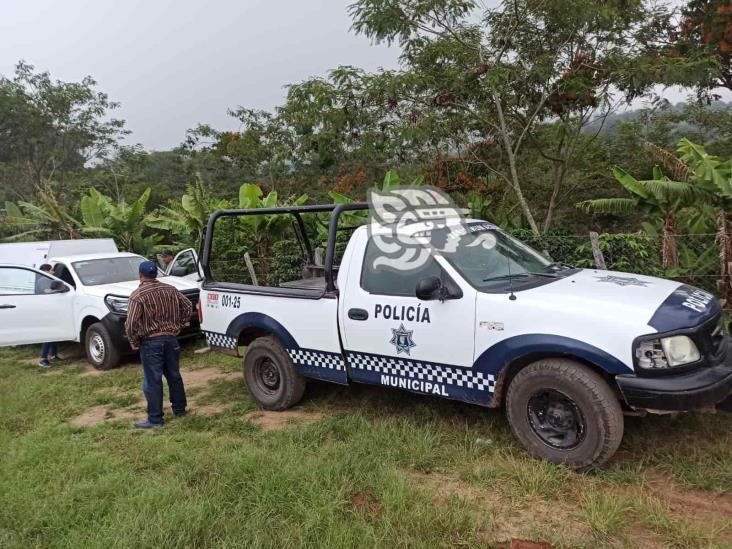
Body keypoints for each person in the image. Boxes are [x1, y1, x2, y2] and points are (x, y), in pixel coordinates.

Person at [125, 260, 193, 428]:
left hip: (150, 342)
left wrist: (134, 341)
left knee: (153, 380)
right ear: (156, 274)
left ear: (140, 276)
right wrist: (180, 325)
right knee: (174, 376)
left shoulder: (137, 295)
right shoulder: (170, 289)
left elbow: (131, 322)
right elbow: (188, 305)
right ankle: (180, 410)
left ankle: (155, 419)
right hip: (171, 339)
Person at [36, 264, 63, 368]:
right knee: (49, 334)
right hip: (45, 310)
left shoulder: (47, 279)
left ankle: (53, 355)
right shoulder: (43, 280)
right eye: (51, 270)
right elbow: (46, 291)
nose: (53, 272)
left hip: (50, 309)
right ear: (46, 271)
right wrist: (60, 290)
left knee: (55, 333)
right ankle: (43, 359)